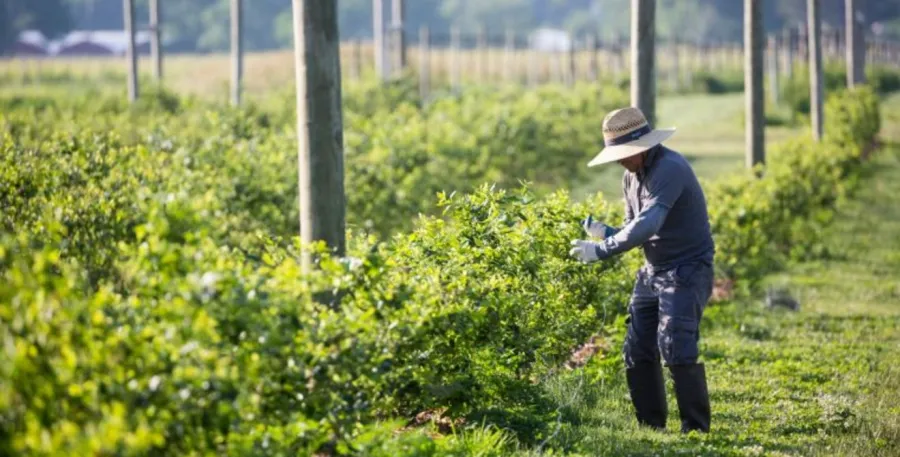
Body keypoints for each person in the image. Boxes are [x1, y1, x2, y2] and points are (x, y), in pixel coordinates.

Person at [568, 107, 715, 433]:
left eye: (623, 155)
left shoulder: (670, 169)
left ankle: (695, 430)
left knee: (676, 344)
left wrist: (602, 250)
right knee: (636, 349)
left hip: (687, 268)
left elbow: (649, 224)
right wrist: (606, 232)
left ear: (642, 147)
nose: (620, 162)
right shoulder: (631, 177)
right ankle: (651, 427)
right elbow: (633, 226)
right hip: (654, 270)